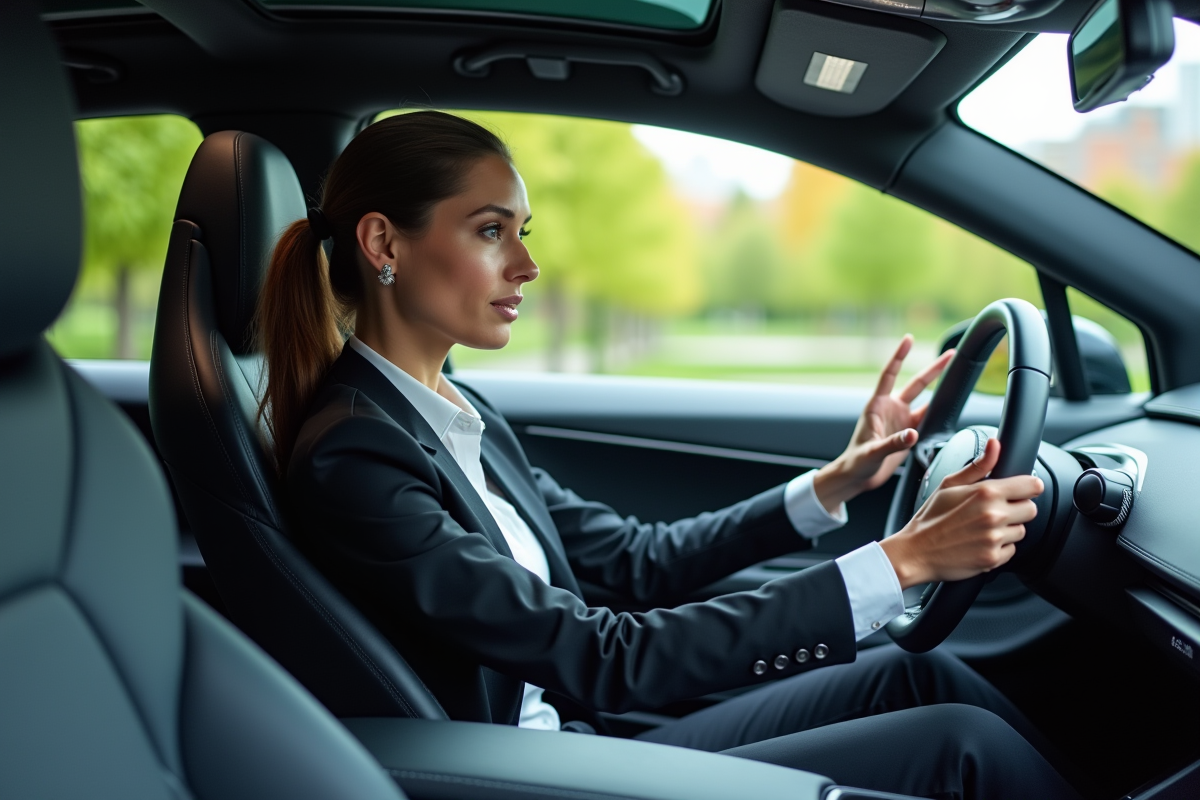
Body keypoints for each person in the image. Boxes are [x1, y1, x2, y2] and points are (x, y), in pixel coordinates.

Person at [259, 111, 1079, 800]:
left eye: (522, 233)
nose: (527, 266)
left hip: (583, 737)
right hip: (538, 776)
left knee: (921, 679)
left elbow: (636, 560)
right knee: (961, 743)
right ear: (382, 242)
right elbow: (604, 656)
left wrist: (832, 483)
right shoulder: (357, 458)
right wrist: (901, 562)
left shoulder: (455, 412)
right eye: (489, 232)